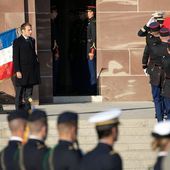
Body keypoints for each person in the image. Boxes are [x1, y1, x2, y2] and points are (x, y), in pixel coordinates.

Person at [13, 22, 40, 112]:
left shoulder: (32, 40)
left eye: (31, 29)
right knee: (19, 93)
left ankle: (27, 110)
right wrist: (17, 70)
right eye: (29, 30)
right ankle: (18, 111)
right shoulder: (17, 41)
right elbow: (15, 57)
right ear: (23, 31)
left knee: (29, 94)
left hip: (31, 71)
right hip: (22, 71)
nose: (31, 32)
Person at [142, 22, 166, 122]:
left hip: (154, 71)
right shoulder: (166, 44)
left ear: (151, 31)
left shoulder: (150, 42)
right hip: (166, 72)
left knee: (157, 97)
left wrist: (144, 66)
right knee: (165, 96)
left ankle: (159, 119)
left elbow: (145, 54)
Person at [86, 6, 97, 94]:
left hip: (91, 50)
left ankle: (93, 89)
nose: (88, 13)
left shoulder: (92, 22)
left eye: (89, 12)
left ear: (92, 12)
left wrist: (92, 51)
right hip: (89, 48)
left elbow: (93, 38)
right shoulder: (90, 22)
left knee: (92, 69)